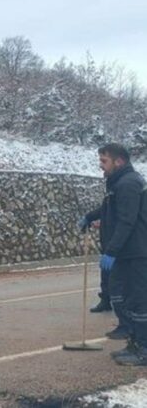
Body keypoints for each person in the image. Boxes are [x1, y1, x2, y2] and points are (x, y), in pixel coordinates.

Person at [79, 143, 147, 366]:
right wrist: (89, 217)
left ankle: (143, 349)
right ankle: (135, 342)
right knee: (123, 296)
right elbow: (109, 209)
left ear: (119, 161)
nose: (101, 166)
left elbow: (127, 221)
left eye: (104, 161)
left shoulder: (128, 183)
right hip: (125, 252)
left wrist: (111, 251)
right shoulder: (119, 183)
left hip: (135, 252)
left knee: (138, 301)